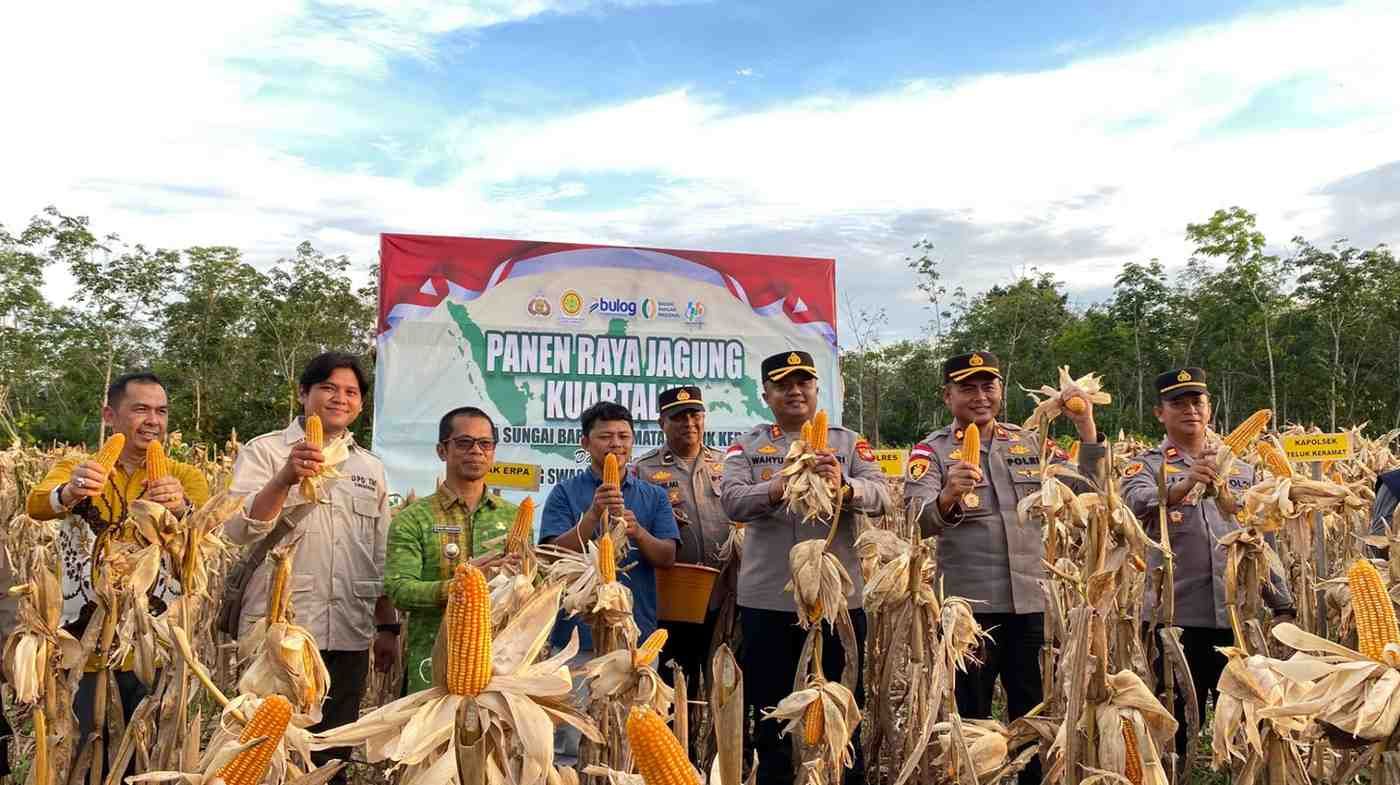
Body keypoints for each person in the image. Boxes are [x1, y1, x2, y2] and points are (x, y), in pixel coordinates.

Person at [903, 351, 1105, 785]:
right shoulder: (932, 451)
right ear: (948, 395)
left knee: (1032, 712)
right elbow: (913, 521)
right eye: (968, 388)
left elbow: (1086, 485)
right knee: (971, 716)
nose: (980, 396)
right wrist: (946, 498)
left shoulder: (1029, 441)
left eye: (988, 386)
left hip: (1029, 602)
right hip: (968, 610)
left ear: (1000, 391)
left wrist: (1086, 427)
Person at [25, 371, 210, 775]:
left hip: (155, 644)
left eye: (161, 411)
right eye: (140, 409)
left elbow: (206, 532)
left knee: (148, 756)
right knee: (88, 752)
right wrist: (72, 491)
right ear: (110, 414)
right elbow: (37, 504)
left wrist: (180, 511)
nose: (153, 421)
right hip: (85, 646)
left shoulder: (185, 477)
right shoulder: (77, 467)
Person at [223, 352, 397, 782]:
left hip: (348, 630)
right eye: (328, 388)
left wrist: (387, 626)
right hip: (279, 631)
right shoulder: (264, 452)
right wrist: (284, 479)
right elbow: (240, 529)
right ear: (304, 393)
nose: (340, 398)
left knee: (333, 749)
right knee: (268, 751)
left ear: (360, 404)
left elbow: (379, 553)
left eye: (351, 392)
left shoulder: (369, 468)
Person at [720, 350, 889, 785]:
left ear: (816, 389)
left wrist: (845, 487)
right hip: (769, 600)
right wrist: (780, 485)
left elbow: (885, 496)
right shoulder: (748, 447)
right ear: (766, 394)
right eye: (783, 385)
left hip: (838, 601)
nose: (795, 391)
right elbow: (733, 502)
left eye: (804, 383)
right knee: (771, 707)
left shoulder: (848, 443)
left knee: (842, 702)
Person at [1120, 367, 1293, 759]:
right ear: (1159, 413)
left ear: (1209, 408)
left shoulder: (1244, 471)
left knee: (1245, 733)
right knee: (1175, 730)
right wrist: (1184, 485)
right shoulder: (1146, 466)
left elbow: (1260, 541)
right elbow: (1133, 506)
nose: (1190, 410)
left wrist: (1282, 603)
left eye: (1197, 402)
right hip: (1175, 624)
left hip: (1237, 624)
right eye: (1177, 403)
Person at [383, 406, 522, 694]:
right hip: (432, 665)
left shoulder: (513, 517)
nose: (476, 451)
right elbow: (399, 590)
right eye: (464, 442)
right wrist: (462, 587)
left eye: (485, 444)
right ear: (442, 450)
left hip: (499, 667)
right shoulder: (414, 517)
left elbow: (530, 586)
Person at [541, 400, 681, 644]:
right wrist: (593, 515)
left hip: (636, 631)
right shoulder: (564, 492)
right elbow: (551, 556)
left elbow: (667, 557)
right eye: (605, 436)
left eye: (623, 436)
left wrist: (638, 532)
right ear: (585, 443)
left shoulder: (654, 495)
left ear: (633, 441)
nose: (616, 444)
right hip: (576, 635)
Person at [634, 385, 734, 691]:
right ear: (661, 423)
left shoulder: (728, 464)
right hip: (674, 596)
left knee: (726, 685)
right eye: (678, 417)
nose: (688, 423)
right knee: (674, 684)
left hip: (726, 594)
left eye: (694, 414)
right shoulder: (643, 470)